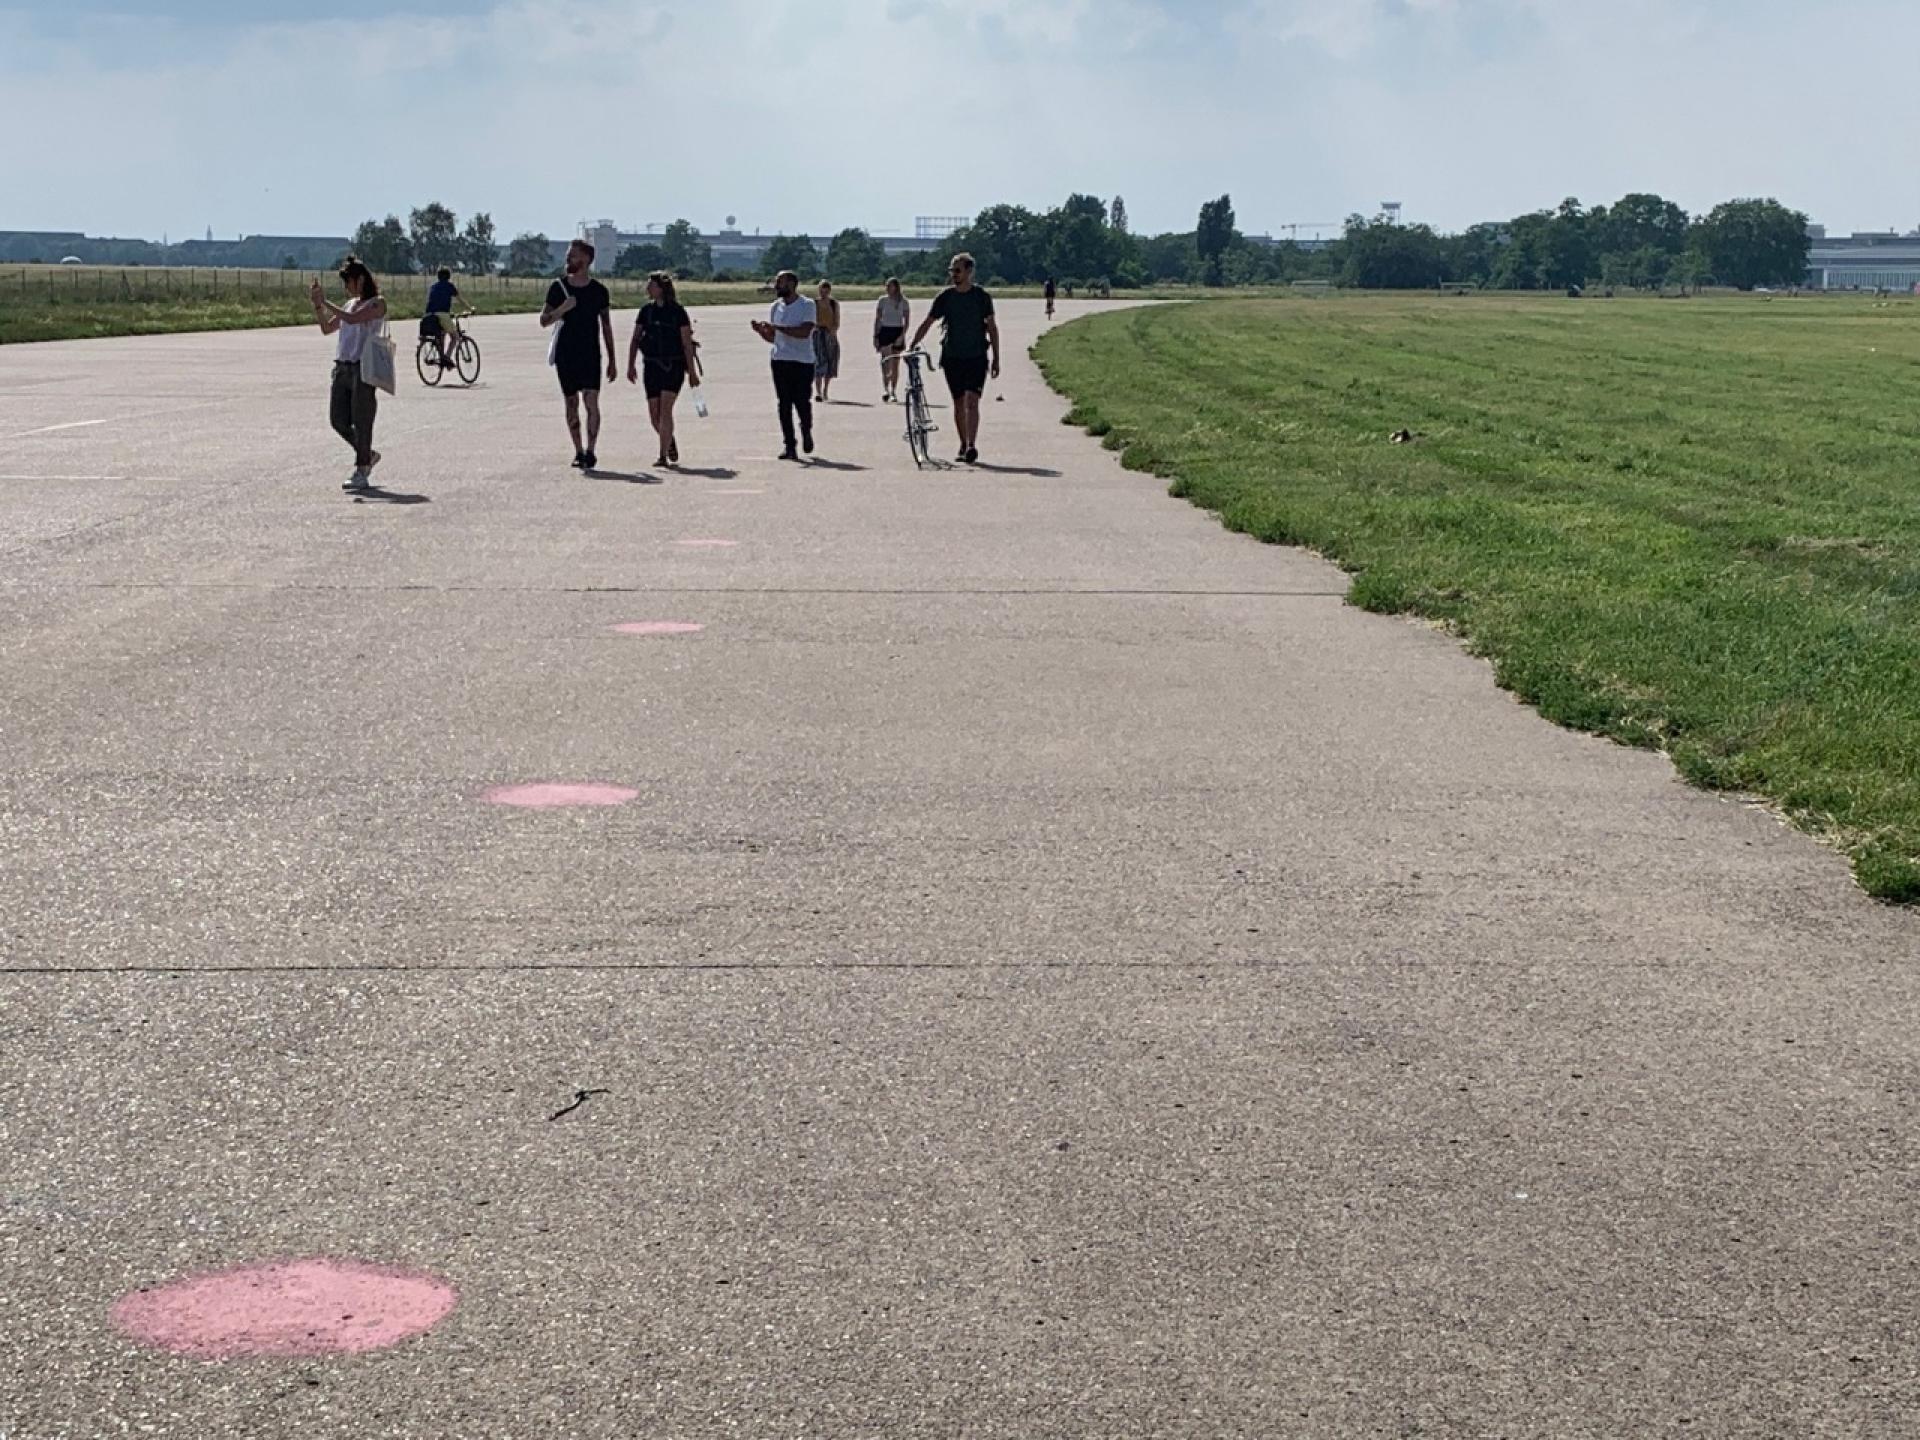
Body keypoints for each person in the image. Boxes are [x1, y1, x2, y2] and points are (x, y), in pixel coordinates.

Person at [909, 251, 999, 465]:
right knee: (958, 402)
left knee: (972, 401)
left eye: (958, 271)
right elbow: (928, 322)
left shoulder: (982, 297)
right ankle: (962, 442)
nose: (954, 275)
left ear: (969, 271)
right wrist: (912, 344)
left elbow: (993, 328)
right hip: (952, 357)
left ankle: (971, 445)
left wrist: (996, 358)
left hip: (977, 356)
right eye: (952, 271)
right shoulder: (945, 297)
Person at [309, 256, 388, 493]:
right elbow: (327, 328)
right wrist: (318, 306)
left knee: (362, 421)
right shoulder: (348, 304)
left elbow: (354, 320)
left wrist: (326, 302)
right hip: (342, 367)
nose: (346, 288)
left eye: (349, 282)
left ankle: (362, 468)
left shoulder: (377, 303)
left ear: (360, 279)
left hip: (362, 368)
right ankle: (368, 454)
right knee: (338, 420)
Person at [540, 239, 616, 470]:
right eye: (568, 255)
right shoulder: (558, 287)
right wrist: (562, 309)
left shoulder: (599, 291)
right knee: (571, 402)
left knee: (591, 401)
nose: (568, 260)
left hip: (591, 354)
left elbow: (606, 326)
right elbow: (544, 320)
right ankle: (578, 450)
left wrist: (613, 359)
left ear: (585, 260)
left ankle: (591, 450)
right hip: (566, 354)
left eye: (573, 256)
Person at [626, 270, 701, 469]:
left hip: (673, 366)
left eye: (651, 285)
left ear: (661, 288)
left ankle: (662, 455)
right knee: (654, 414)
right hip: (651, 366)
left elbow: (686, 344)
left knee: (665, 410)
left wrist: (692, 372)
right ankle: (668, 440)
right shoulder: (645, 311)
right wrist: (630, 364)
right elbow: (635, 339)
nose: (648, 288)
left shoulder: (678, 312)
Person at [750, 270, 816, 461]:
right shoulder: (775, 307)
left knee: (802, 402)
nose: (777, 286)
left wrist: (777, 328)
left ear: (792, 284)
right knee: (784, 403)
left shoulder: (807, 305)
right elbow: (774, 339)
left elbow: (805, 332)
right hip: (780, 360)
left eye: (781, 282)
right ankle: (789, 445)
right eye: (777, 282)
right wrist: (762, 332)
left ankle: (806, 430)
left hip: (803, 361)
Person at [423, 267, 472, 368]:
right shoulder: (449, 286)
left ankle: (441, 357)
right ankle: (447, 357)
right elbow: (460, 299)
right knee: (455, 337)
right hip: (442, 315)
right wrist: (470, 308)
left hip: (429, 315)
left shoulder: (433, 286)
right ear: (449, 276)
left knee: (442, 334)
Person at [874, 278, 910, 402]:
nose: (888, 288)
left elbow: (906, 321)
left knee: (895, 363)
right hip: (885, 331)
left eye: (890, 286)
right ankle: (886, 389)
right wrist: (876, 336)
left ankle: (894, 390)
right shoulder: (882, 300)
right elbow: (878, 319)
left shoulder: (903, 302)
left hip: (897, 330)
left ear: (896, 287)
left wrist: (902, 336)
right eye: (887, 286)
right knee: (885, 362)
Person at [812, 280, 842, 403]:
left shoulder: (834, 304)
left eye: (826, 290)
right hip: (817, 334)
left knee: (830, 363)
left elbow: (837, 320)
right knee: (818, 363)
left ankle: (825, 390)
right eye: (821, 290)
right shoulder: (814, 303)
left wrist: (833, 331)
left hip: (830, 335)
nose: (824, 293)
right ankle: (818, 391)